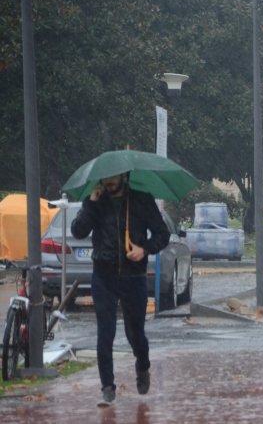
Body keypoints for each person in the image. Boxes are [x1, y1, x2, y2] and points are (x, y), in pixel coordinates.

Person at [71, 173, 170, 405]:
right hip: (103, 276)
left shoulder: (142, 200)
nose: (109, 182)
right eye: (105, 179)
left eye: (113, 178)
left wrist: (144, 249)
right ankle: (107, 386)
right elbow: (78, 231)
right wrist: (91, 204)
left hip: (133, 276)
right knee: (105, 333)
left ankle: (142, 366)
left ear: (124, 176)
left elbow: (162, 235)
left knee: (135, 333)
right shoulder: (95, 202)